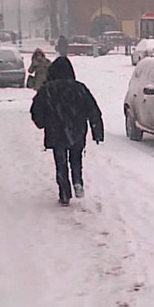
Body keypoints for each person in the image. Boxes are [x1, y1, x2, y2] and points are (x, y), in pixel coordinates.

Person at [30, 56, 104, 206]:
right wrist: (97, 131)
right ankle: (77, 181)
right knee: (76, 159)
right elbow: (93, 110)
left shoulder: (47, 89)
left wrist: (42, 123)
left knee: (61, 162)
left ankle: (64, 192)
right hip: (77, 130)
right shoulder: (80, 88)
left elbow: (36, 110)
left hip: (56, 131)